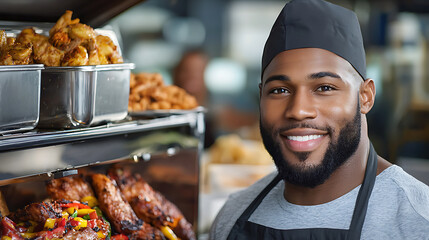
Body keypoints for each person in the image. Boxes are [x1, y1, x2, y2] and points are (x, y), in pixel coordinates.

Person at [209, 0, 429, 239]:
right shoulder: (231, 217)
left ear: (365, 97)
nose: (299, 110)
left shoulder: (417, 220)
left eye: (324, 87)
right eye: (280, 90)